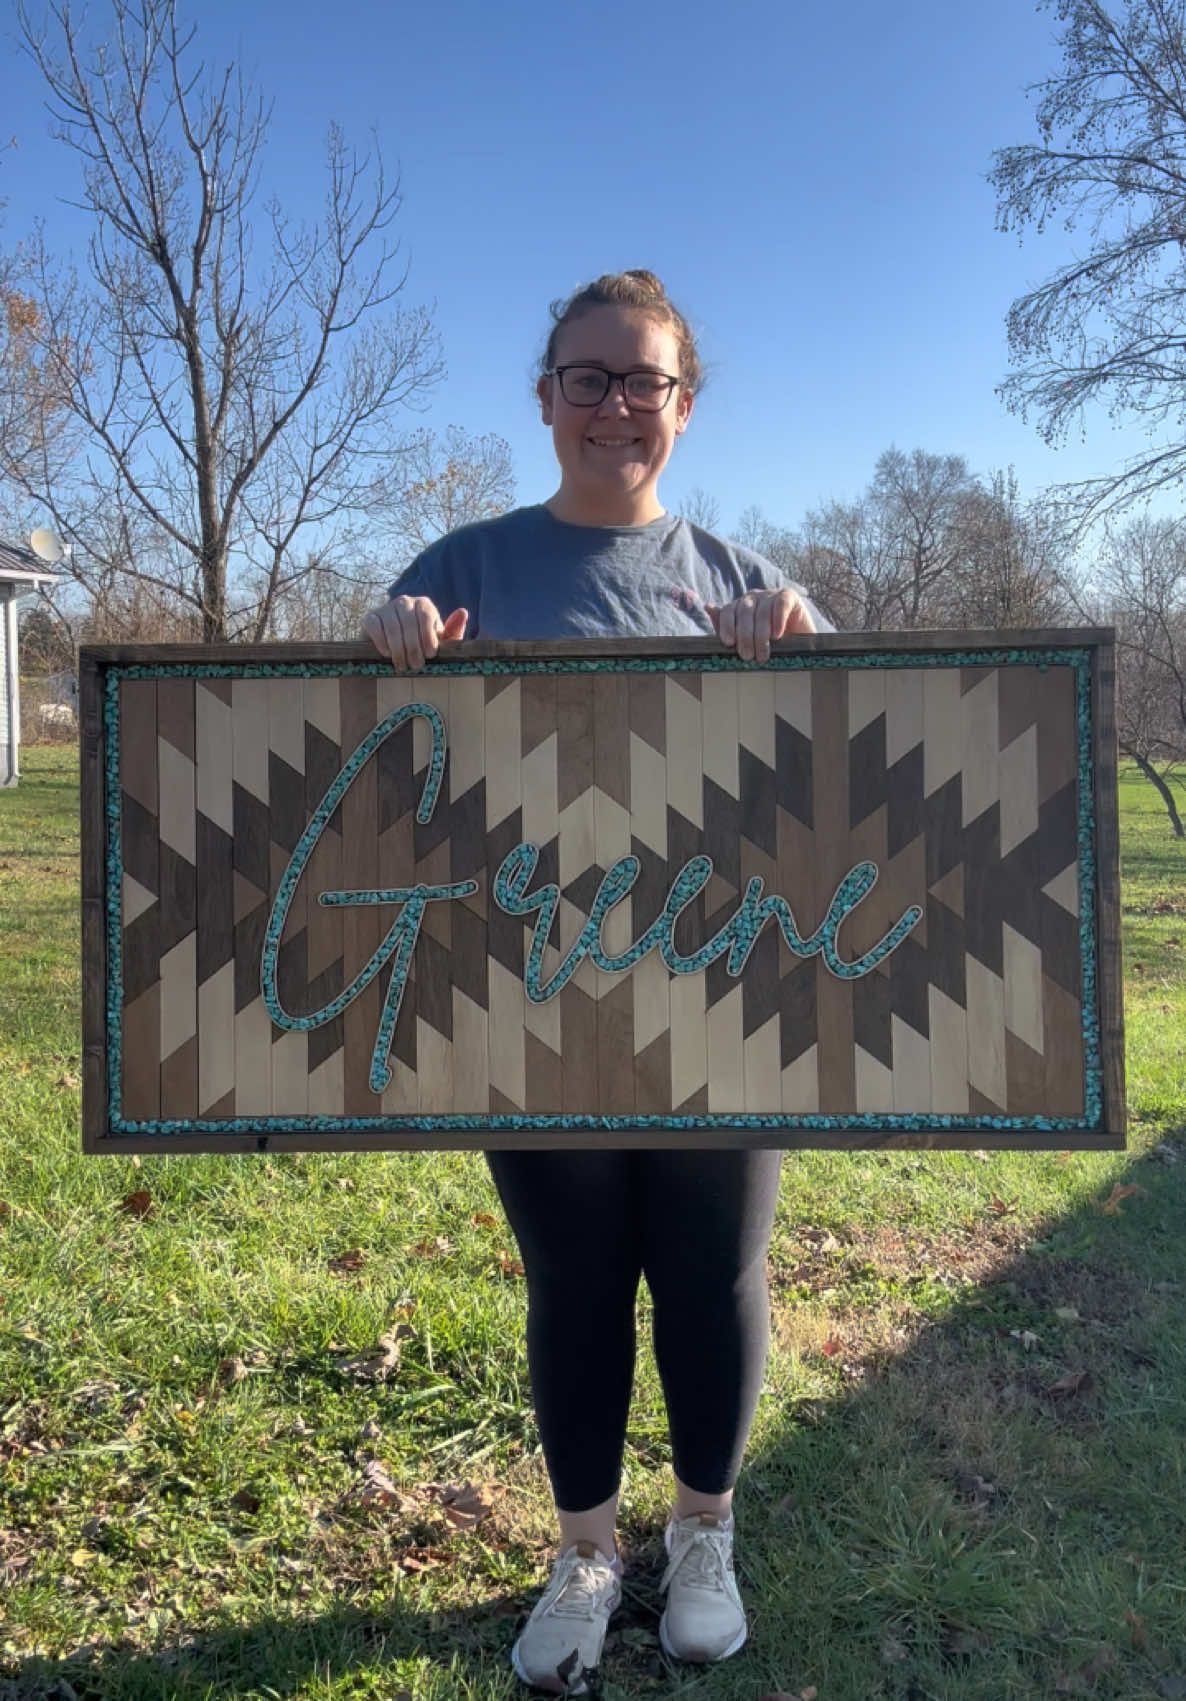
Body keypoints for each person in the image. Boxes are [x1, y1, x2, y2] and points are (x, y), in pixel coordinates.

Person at [363, 270, 827, 1694]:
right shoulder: (464, 569)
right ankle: (583, 1551)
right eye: (589, 376)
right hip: (527, 1001)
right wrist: (386, 649)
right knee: (573, 1276)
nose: (616, 404)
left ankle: (702, 1531)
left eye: (645, 381)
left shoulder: (747, 584)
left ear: (684, 406)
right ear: (544, 392)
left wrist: (814, 660)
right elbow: (374, 783)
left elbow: (837, 791)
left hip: (718, 999)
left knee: (712, 1270)